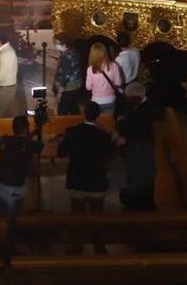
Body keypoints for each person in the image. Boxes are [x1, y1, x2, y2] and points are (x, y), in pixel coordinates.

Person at [57, 100, 115, 214]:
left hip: (77, 180)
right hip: (97, 180)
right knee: (97, 216)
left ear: (84, 112)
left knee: (78, 218)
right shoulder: (103, 135)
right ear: (98, 115)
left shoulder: (72, 132)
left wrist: (60, 142)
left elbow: (61, 153)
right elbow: (111, 154)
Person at [114, 81, 157, 211]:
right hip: (134, 146)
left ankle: (139, 205)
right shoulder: (136, 105)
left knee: (141, 174)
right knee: (134, 173)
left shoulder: (147, 110)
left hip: (141, 147)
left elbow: (140, 128)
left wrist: (124, 135)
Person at [0, 115, 43, 217]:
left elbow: (17, 142)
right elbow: (39, 146)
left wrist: (29, 135)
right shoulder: (29, 145)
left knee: (3, 216)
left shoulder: (5, 140)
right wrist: (37, 130)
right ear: (26, 129)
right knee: (16, 217)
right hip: (15, 187)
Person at [0, 28, 20, 118]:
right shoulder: (3, 51)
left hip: (5, 88)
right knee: (8, 112)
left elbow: (1, 74)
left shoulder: (6, 54)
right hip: (6, 87)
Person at [85, 41, 124, 116]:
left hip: (96, 100)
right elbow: (118, 83)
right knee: (108, 120)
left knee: (97, 120)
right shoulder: (114, 66)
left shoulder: (90, 69)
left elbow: (88, 87)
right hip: (110, 99)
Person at [52, 38, 84, 115]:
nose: (56, 45)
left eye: (58, 44)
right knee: (73, 107)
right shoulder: (73, 51)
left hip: (68, 88)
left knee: (63, 110)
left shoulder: (66, 57)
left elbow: (65, 76)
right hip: (76, 86)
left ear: (64, 44)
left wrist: (59, 93)